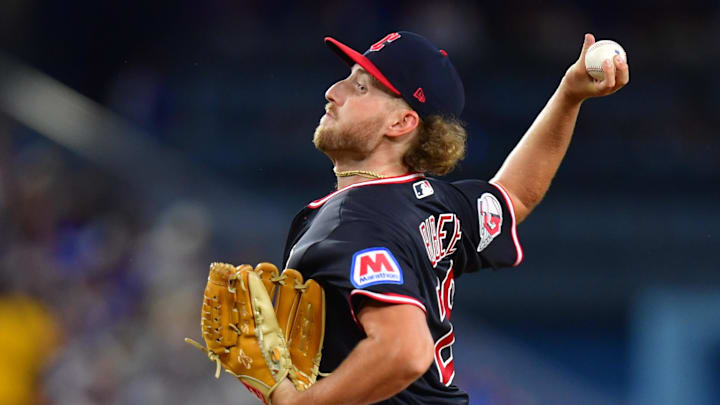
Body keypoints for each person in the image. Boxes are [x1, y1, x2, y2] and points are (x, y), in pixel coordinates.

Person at [269, 31, 629, 405]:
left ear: (401, 123)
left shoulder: (353, 221)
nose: (333, 91)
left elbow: (405, 351)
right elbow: (515, 195)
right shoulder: (433, 202)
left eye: (360, 87)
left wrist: (295, 404)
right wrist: (568, 97)